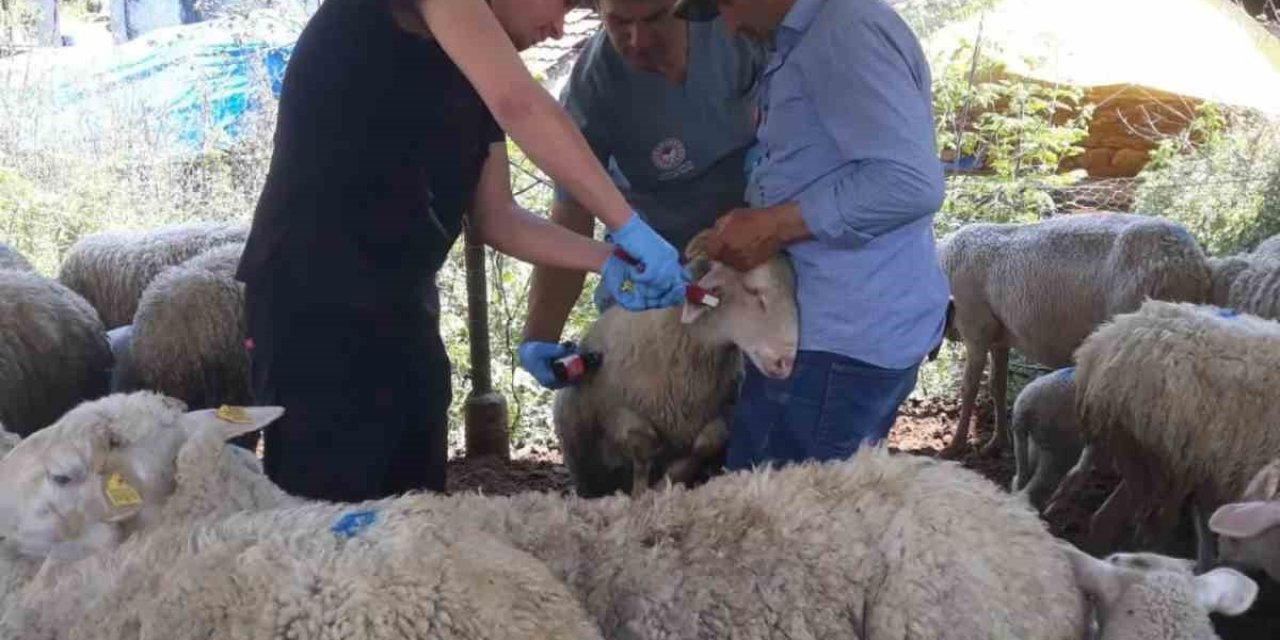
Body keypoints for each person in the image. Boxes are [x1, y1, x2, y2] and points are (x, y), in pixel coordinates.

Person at [234, 0, 690, 502]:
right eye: (560, 2)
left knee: (417, 511)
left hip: (403, 311)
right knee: (325, 512)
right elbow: (520, 102)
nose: (560, 28)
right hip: (313, 309)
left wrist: (607, 258)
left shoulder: (472, 76)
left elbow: (499, 219)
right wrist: (626, 221)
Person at [672, 0, 950, 469]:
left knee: (775, 525)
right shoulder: (811, 35)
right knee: (820, 511)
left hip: (833, 347)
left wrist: (774, 224)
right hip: (838, 334)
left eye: (726, 3)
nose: (730, 24)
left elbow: (909, 182)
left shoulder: (843, 32)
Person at [516, 0, 766, 388]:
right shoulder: (593, 87)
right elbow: (571, 214)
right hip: (656, 276)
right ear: (598, 11)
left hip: (758, 248)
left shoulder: (739, 31)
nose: (638, 40)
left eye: (655, 19)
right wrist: (539, 337)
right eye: (619, 22)